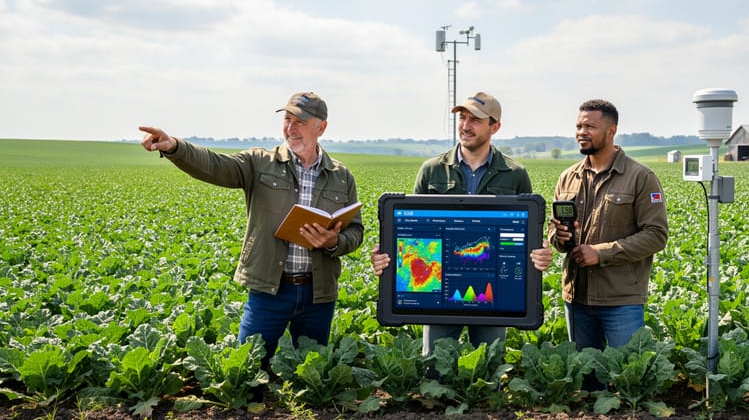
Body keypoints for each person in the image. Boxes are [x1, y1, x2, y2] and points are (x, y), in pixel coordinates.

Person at [139, 91, 364, 368]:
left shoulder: (341, 176)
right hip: (269, 289)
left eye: (300, 121)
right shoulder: (259, 163)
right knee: (247, 370)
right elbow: (214, 165)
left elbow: (355, 232)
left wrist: (333, 241)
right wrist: (175, 147)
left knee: (312, 375)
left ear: (321, 128)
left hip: (318, 294)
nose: (291, 128)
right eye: (287, 119)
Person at [370, 91, 552, 355]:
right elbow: (414, 234)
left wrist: (538, 254)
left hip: (494, 292)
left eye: (475, 120)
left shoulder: (515, 174)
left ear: (495, 127)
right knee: (434, 364)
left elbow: (525, 233)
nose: (465, 126)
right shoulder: (431, 169)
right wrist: (388, 256)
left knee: (490, 366)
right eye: (462, 118)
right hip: (441, 288)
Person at [548, 99, 668, 353]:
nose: (581, 132)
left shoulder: (640, 177)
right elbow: (553, 231)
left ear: (611, 131)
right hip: (576, 298)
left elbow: (656, 236)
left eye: (589, 126)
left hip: (620, 301)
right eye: (579, 126)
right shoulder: (568, 177)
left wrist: (601, 253)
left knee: (629, 376)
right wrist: (559, 237)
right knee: (586, 380)